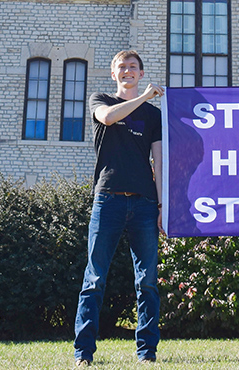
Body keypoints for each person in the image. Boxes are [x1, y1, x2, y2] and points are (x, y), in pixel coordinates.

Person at [74, 50, 165, 366]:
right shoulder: (100, 100)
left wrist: (162, 205)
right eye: (122, 67)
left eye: (133, 67)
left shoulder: (154, 116)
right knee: (95, 279)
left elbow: (159, 161)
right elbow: (108, 118)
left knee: (148, 282)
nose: (127, 71)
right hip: (108, 199)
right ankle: (83, 353)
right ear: (114, 74)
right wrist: (146, 97)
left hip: (143, 204)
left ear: (140, 74)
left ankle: (146, 353)